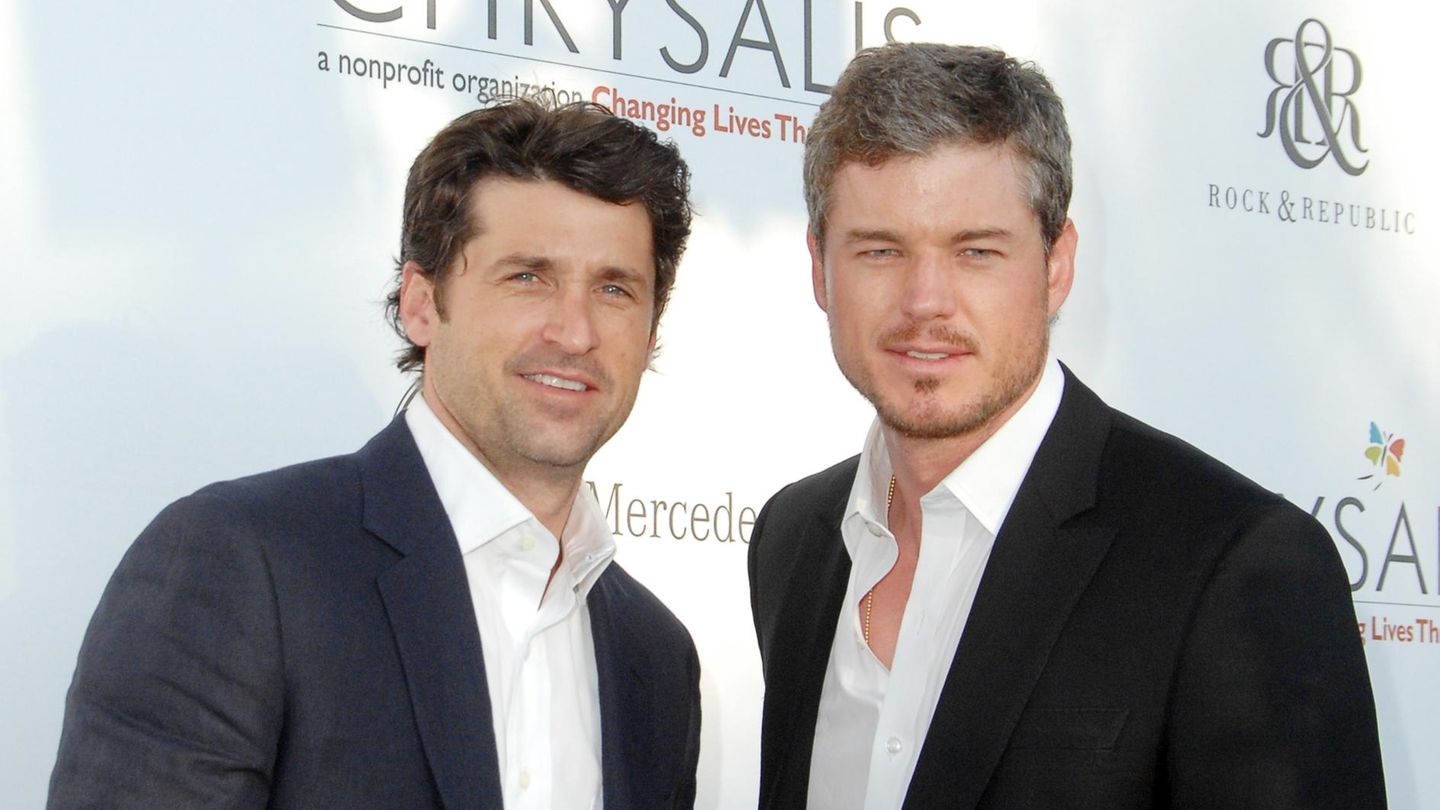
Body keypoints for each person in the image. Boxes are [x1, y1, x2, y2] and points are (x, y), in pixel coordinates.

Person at [748, 43, 1385, 809]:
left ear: (1057, 267)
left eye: (976, 252)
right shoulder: (794, 540)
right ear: (820, 268)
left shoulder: (1233, 565)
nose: (925, 302)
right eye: (881, 250)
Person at [49, 97, 700, 809]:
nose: (574, 332)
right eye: (527, 277)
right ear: (420, 303)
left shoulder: (655, 658)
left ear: (651, 334)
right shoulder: (244, 565)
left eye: (614, 289)